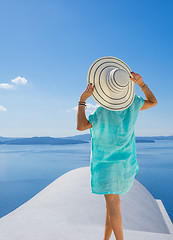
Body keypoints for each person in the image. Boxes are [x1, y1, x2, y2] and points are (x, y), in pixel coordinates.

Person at [77, 71, 157, 240]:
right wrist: (142, 84)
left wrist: (82, 100)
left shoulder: (101, 112)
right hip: (126, 165)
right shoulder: (134, 103)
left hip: (107, 166)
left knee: (113, 206)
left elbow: (81, 126)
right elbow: (153, 101)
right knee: (111, 207)